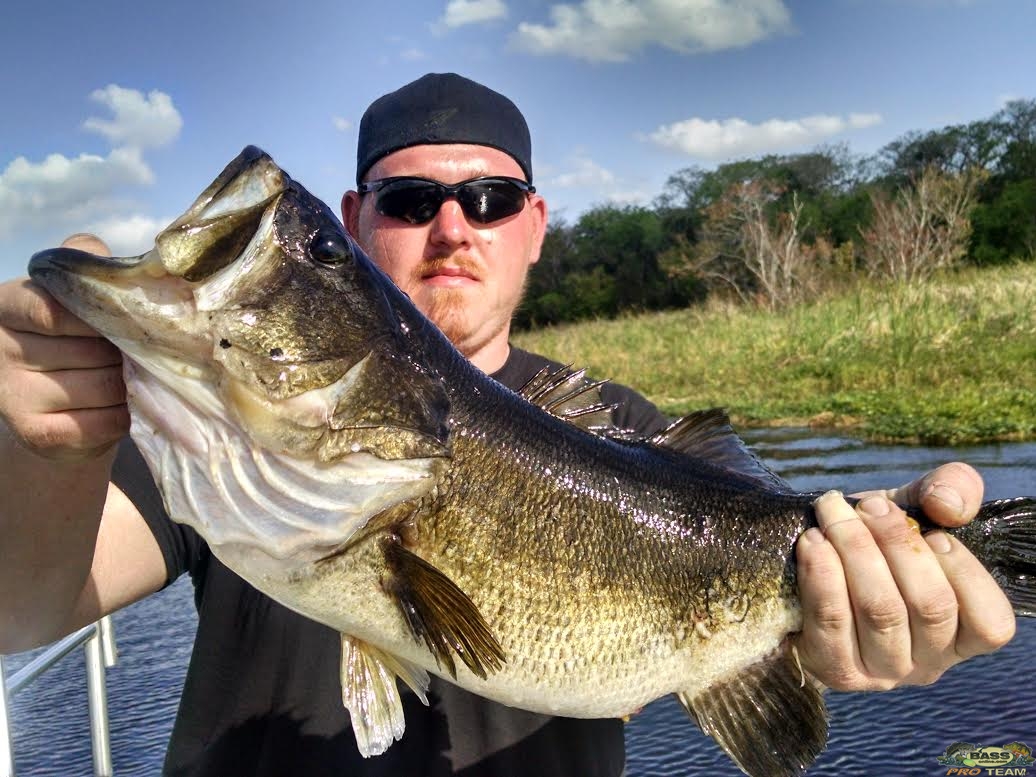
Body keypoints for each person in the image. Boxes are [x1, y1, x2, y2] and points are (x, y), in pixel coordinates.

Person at [0, 73, 1014, 776]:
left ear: (533, 228)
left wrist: (881, 614)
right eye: (410, 199)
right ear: (356, 220)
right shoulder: (208, 437)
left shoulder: (629, 430)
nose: (452, 227)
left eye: (488, 198)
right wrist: (53, 450)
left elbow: (779, 621)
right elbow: (21, 615)